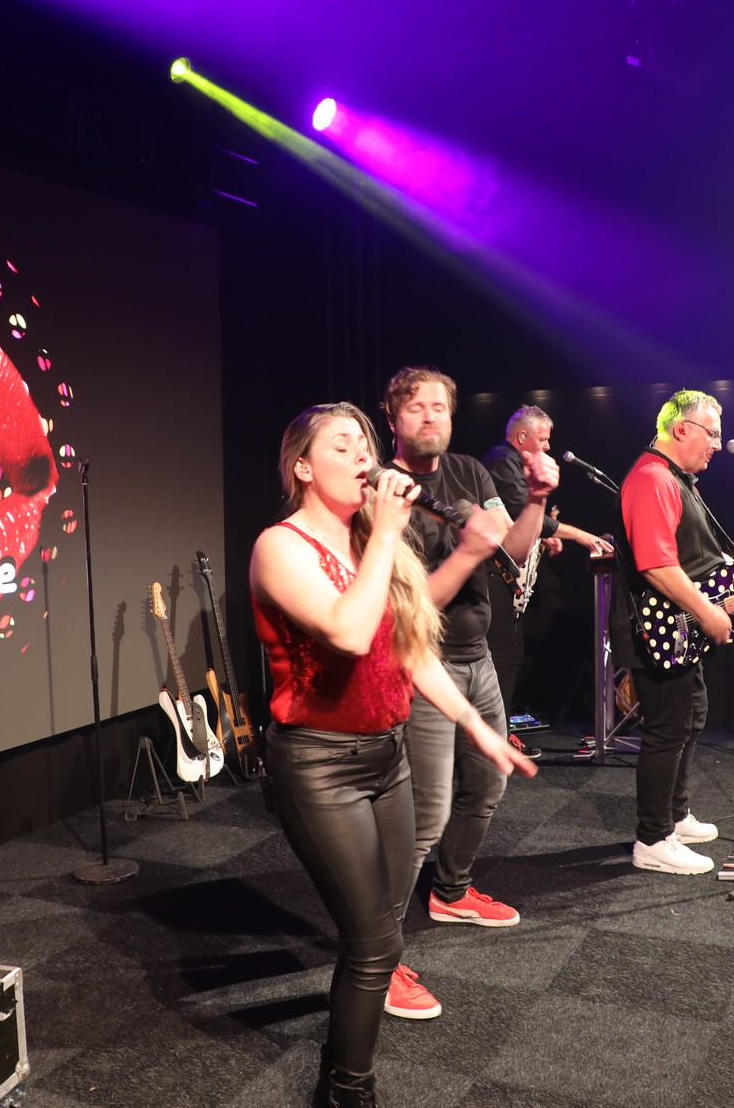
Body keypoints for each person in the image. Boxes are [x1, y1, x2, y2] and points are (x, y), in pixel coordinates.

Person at [250, 402, 536, 1108]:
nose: (363, 456)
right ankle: (349, 1090)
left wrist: (475, 724)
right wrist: (383, 534)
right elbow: (349, 634)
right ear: (302, 467)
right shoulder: (280, 547)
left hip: (387, 756)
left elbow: (409, 646)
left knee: (384, 934)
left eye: (365, 445)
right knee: (374, 944)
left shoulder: (373, 543)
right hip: (319, 766)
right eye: (343, 445)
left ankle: (341, 1066)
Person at [383, 367, 554, 1016]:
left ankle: (451, 893)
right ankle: (379, 956)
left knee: (488, 784)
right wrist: (466, 553)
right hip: (422, 663)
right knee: (425, 817)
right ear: (393, 419)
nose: (431, 417)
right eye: (417, 408)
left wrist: (535, 499)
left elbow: (511, 552)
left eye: (441, 407)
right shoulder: (386, 492)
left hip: (477, 654)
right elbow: (410, 609)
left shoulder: (470, 473)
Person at [609, 390, 734, 874]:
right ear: (681, 429)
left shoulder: (678, 481)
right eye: (713, 434)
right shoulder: (652, 479)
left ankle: (674, 816)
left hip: (679, 628)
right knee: (667, 730)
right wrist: (708, 613)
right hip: (657, 630)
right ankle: (652, 839)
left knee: (690, 717)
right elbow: (657, 565)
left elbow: (706, 557)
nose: (718, 445)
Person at [481, 404, 614, 757]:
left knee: (511, 657)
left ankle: (500, 732)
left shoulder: (512, 463)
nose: (548, 446)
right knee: (502, 658)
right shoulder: (501, 461)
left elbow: (523, 524)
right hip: (493, 576)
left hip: (507, 578)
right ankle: (494, 738)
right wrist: (579, 535)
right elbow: (518, 511)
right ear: (521, 437)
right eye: (542, 439)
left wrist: (542, 538)